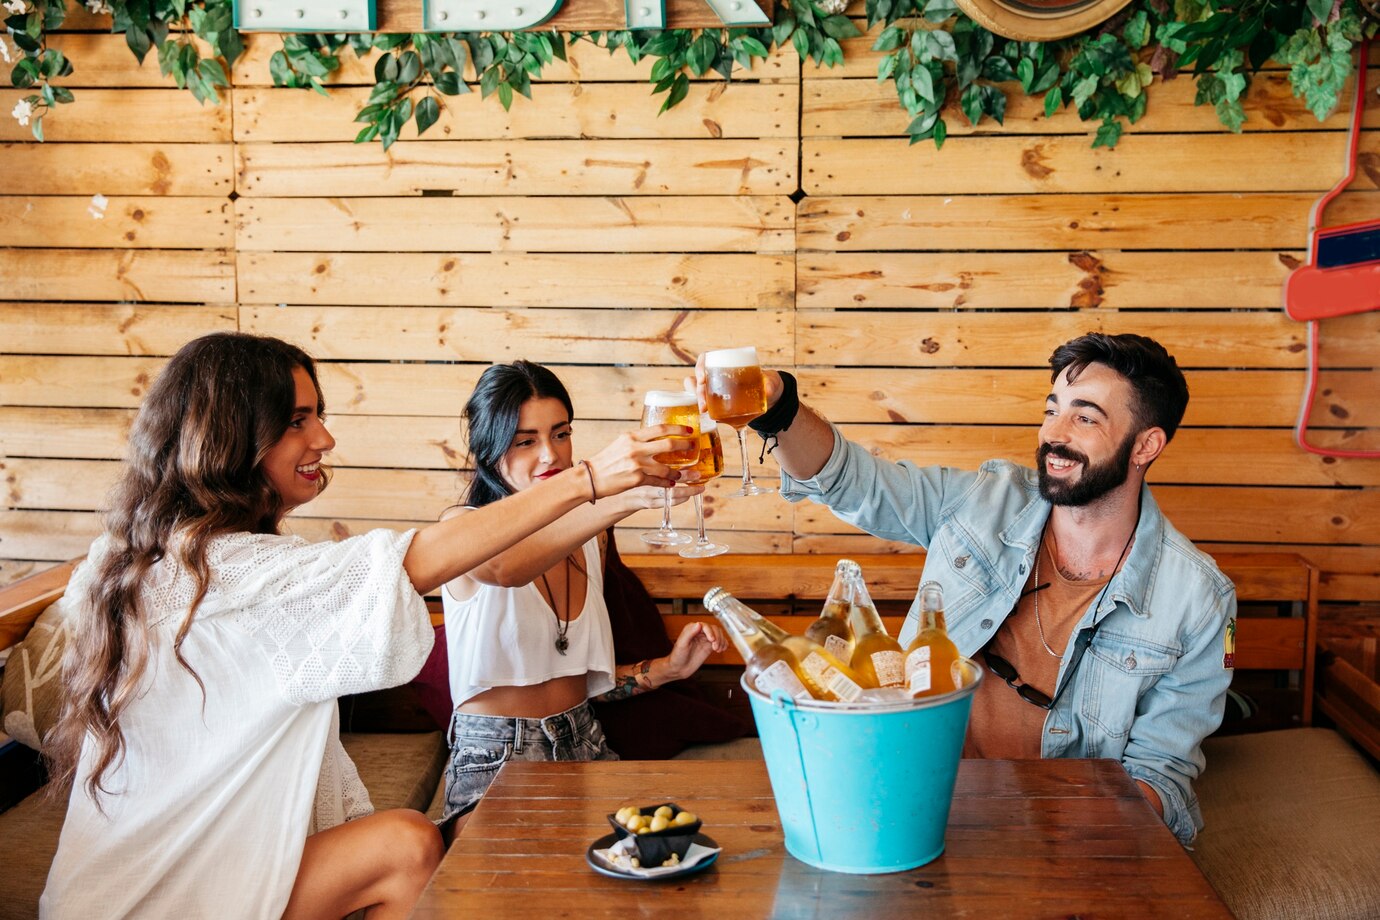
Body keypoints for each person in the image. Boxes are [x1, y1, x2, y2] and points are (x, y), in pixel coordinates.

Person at [40, 334, 693, 919]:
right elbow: (449, 562)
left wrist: (628, 500)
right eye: (297, 420)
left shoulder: (143, 559)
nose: (324, 439)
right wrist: (592, 480)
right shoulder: (238, 572)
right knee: (408, 846)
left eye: (319, 415)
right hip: (155, 894)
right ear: (230, 437)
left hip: (156, 870)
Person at [698, 332, 1236, 845]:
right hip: (908, 794)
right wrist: (779, 408)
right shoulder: (981, 501)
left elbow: (1159, 776)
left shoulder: (1197, 599)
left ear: (1146, 445)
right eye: (1052, 409)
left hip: (1061, 832)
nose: (1054, 433)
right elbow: (851, 481)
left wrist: (1052, 839)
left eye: (1085, 417)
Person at [437, 361, 729, 830]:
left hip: (586, 741)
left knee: (656, 856)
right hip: (496, 756)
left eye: (561, 434)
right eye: (525, 441)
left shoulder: (593, 536)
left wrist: (667, 669)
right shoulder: (459, 527)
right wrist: (622, 497)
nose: (550, 456)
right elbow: (505, 568)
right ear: (489, 449)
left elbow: (583, 682)